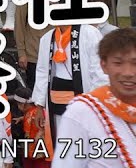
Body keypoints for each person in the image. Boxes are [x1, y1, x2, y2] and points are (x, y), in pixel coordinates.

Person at [54, 27, 136, 168]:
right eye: (118, 63)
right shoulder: (82, 112)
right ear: (104, 65)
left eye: (135, 63)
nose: (128, 72)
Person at [29, 20, 106, 150]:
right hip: (56, 102)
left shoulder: (89, 33)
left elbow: (100, 71)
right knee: (63, 144)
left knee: (88, 145)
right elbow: (42, 72)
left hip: (86, 99)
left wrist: (96, 103)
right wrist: (39, 107)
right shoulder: (47, 38)